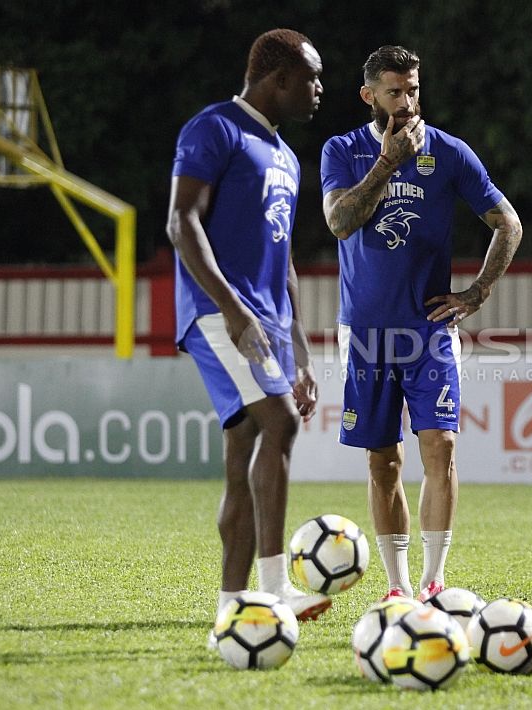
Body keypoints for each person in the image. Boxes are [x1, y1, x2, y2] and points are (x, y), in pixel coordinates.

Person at [319, 45, 522, 602]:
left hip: (429, 330)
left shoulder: (450, 153)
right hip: (364, 331)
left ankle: (434, 581)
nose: (406, 103)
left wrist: (477, 292)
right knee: (384, 458)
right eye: (394, 92)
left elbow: (508, 224)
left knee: (442, 445)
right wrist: (387, 163)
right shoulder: (342, 150)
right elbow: (338, 222)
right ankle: (398, 586)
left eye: (412, 90)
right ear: (369, 96)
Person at [165, 29, 331, 637]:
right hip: (217, 314)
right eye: (311, 77)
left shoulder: (286, 157)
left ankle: (232, 606)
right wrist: (232, 311)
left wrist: (303, 350)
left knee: (241, 461)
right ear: (279, 78)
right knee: (280, 423)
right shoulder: (214, 129)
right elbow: (182, 223)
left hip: (266, 322)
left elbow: (283, 260)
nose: (319, 89)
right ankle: (275, 588)